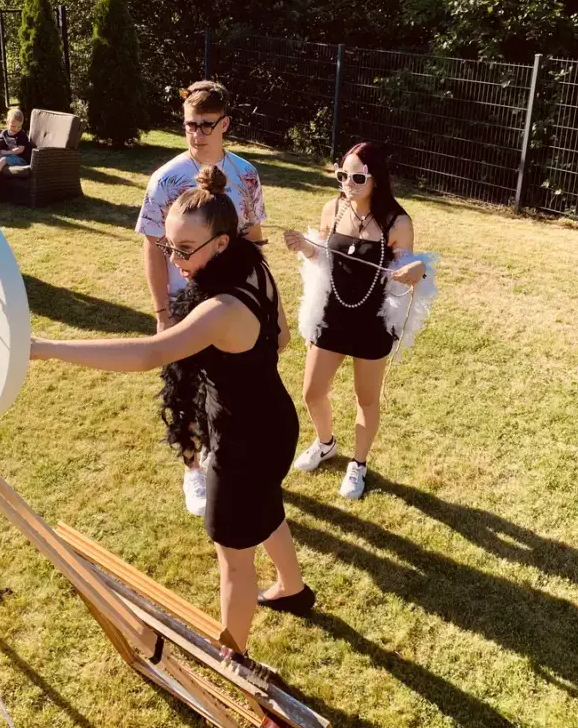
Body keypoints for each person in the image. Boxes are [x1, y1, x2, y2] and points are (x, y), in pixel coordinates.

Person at [32, 166, 312, 653]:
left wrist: (45, 347)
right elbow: (283, 337)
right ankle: (293, 587)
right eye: (169, 247)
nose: (175, 260)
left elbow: (148, 353)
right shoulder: (256, 268)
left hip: (242, 442)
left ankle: (235, 658)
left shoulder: (219, 309)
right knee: (265, 509)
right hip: (274, 422)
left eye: (185, 251)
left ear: (221, 244)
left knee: (233, 560)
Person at [136, 80, 266, 517]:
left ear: (225, 123)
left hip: (233, 303)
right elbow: (154, 248)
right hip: (184, 303)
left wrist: (263, 299)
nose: (197, 134)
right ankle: (192, 467)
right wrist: (161, 315)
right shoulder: (166, 179)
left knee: (228, 387)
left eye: (207, 125)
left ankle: (218, 451)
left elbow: (254, 237)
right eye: (190, 125)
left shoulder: (246, 174)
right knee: (184, 391)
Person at [284, 142, 425, 500]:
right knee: (312, 391)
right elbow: (325, 258)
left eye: (357, 177)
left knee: (366, 399)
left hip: (371, 322)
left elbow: (406, 269)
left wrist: (417, 270)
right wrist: (305, 247)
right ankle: (326, 443)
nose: (348, 182)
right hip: (333, 315)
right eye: (342, 175)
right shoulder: (331, 208)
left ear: (376, 179)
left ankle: (358, 464)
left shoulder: (397, 221)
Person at [0, 108, 34, 183]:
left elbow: (20, 149)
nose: (16, 129)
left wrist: (6, 152)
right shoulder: (4, 133)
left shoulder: (22, 135)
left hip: (21, 159)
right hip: (10, 156)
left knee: (3, 160)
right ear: (7, 122)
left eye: (19, 127)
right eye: (13, 126)